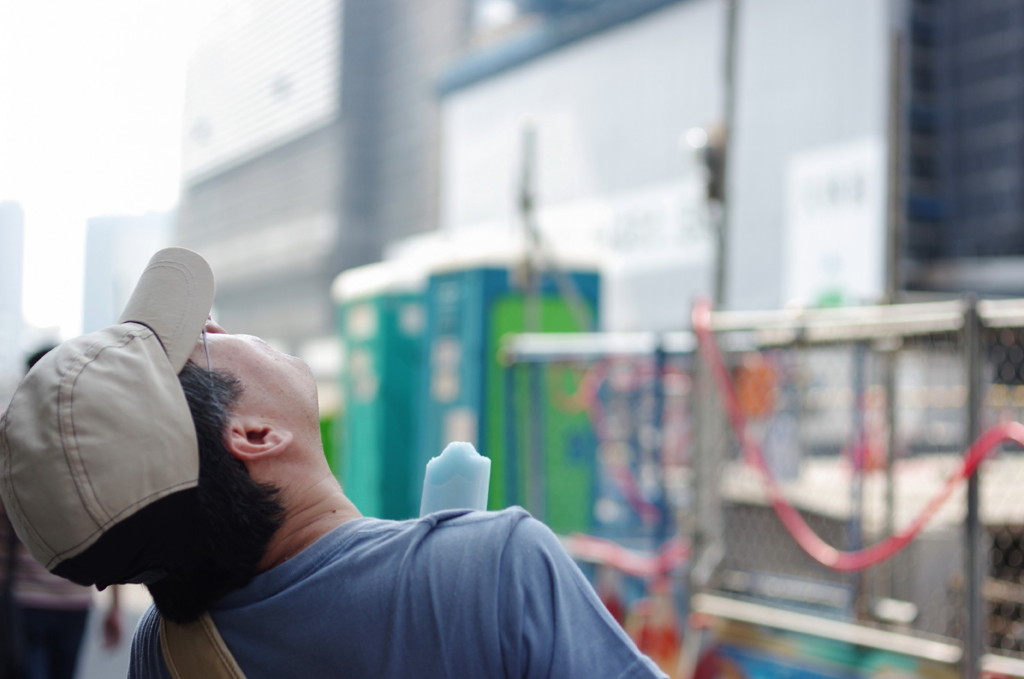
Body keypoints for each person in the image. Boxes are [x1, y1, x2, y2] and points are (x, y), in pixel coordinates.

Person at [0, 248, 667, 678]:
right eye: (202, 339)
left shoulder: (164, 655)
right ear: (254, 432)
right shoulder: (492, 569)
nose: (219, 325)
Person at [0, 347, 122, 679]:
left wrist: (114, 606)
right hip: (34, 599)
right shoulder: (90, 435)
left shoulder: (90, 433)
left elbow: (110, 522)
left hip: (58, 599)